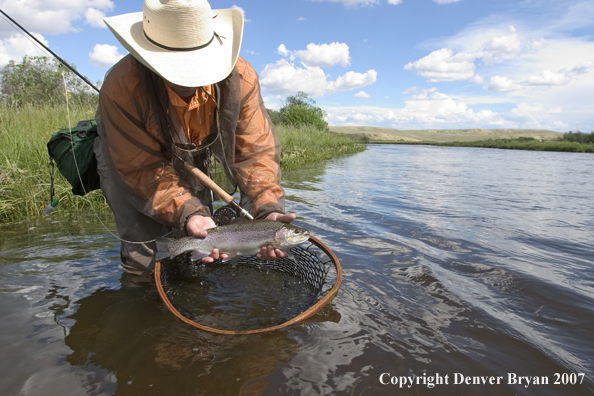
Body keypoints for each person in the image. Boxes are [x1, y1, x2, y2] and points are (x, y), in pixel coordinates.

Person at [94, 0, 295, 275]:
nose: (189, 78)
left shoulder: (242, 78)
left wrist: (267, 208)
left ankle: (189, 273)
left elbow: (255, 153)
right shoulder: (122, 87)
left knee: (201, 240)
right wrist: (186, 210)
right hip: (129, 162)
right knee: (144, 259)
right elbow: (140, 168)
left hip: (194, 154)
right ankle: (142, 301)